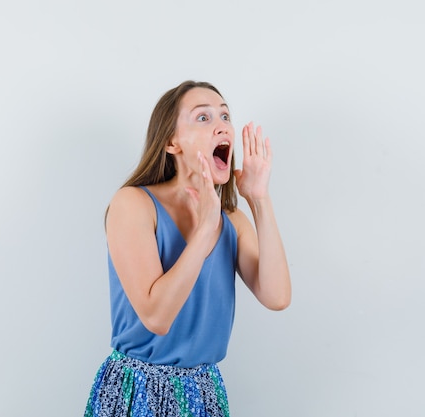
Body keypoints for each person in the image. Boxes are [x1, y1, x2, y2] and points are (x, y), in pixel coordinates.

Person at [84, 80, 292, 417]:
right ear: (171, 142)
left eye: (225, 116)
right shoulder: (134, 204)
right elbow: (156, 316)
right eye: (203, 118)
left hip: (203, 392)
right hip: (135, 390)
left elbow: (277, 296)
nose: (221, 126)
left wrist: (258, 200)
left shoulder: (233, 221)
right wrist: (202, 233)